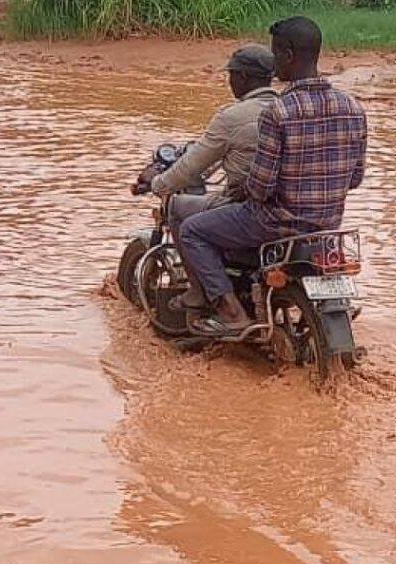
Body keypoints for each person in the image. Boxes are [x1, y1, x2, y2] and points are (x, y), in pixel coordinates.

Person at [180, 16, 368, 335]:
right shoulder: (352, 108)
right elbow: (355, 179)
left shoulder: (278, 112)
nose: (274, 63)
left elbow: (261, 187)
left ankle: (231, 313)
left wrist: (244, 191)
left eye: (277, 53)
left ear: (289, 55)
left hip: (273, 223)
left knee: (191, 231)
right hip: (326, 226)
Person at [135, 44, 278, 310]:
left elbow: (191, 166)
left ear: (243, 77)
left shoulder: (232, 117)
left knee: (179, 213)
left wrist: (157, 184)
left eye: (232, 75)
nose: (230, 81)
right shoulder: (287, 109)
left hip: (253, 211)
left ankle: (211, 297)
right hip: (292, 212)